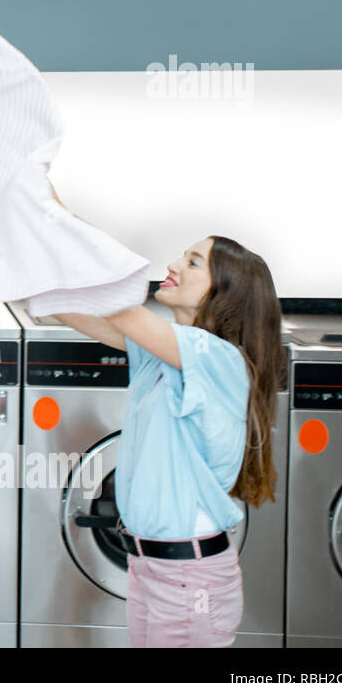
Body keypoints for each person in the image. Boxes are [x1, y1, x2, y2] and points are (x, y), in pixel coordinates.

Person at [51, 230, 283, 648]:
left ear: (224, 293)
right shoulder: (163, 354)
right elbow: (69, 309)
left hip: (187, 582)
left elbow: (117, 311)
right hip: (150, 569)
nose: (173, 265)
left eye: (193, 262)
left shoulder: (217, 357)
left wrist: (48, 223)